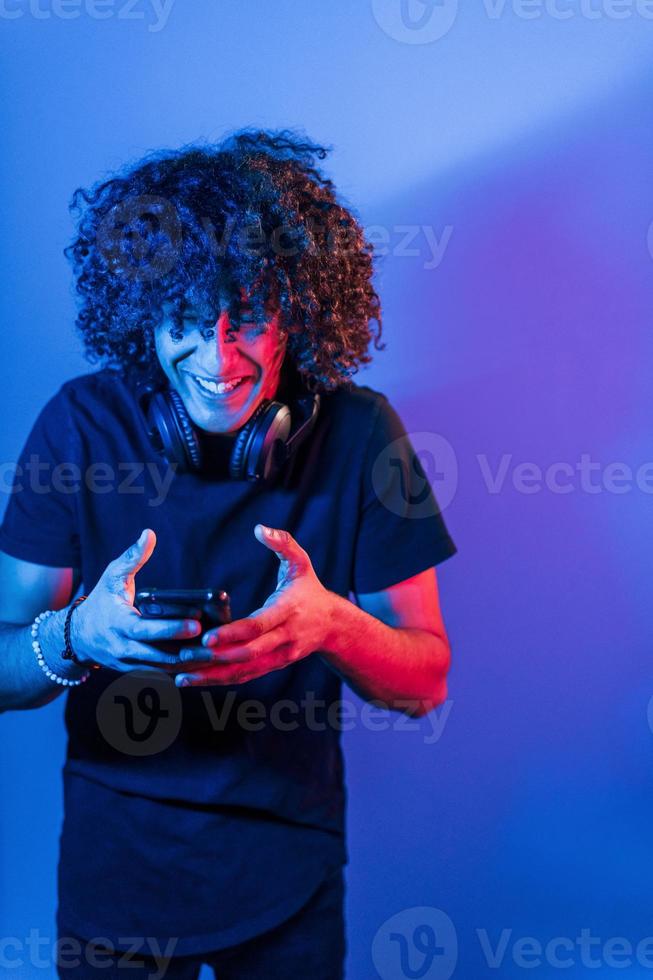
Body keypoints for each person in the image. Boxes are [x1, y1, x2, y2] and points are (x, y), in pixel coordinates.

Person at [0, 129, 457, 979]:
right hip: (116, 887)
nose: (218, 357)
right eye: (186, 316)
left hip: (289, 881)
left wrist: (333, 628)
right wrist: (74, 637)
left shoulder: (361, 436)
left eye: (246, 315)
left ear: (297, 311)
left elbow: (426, 681)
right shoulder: (78, 426)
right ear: (142, 310)